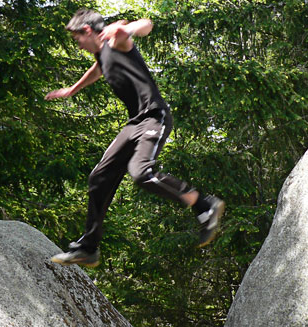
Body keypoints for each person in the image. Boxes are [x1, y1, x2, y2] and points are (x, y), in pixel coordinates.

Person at [46, 9, 224, 267]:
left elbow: (146, 24)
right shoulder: (102, 53)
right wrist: (72, 90)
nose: (78, 46)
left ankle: (204, 204)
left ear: (87, 31)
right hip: (134, 124)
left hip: (154, 116)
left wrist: (127, 30)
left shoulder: (116, 39)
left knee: (141, 173)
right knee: (99, 177)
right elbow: (98, 69)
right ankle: (88, 248)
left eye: (77, 39)